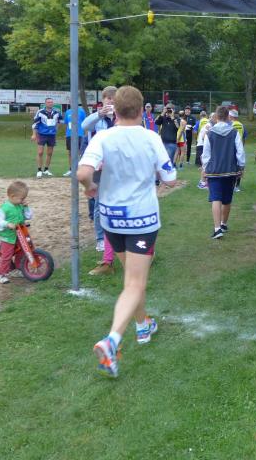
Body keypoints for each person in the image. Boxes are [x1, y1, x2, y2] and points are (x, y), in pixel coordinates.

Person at [77, 85, 177, 378]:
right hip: (141, 218)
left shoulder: (103, 137)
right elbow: (170, 179)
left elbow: (83, 172)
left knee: (132, 279)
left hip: (111, 218)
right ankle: (112, 341)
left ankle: (143, 325)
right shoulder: (151, 137)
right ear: (142, 109)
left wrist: (90, 187)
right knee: (134, 282)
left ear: (114, 110)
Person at [202, 106, 245, 239]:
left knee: (216, 198)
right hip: (230, 170)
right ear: (227, 117)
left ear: (216, 117)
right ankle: (223, 224)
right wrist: (241, 167)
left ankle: (217, 229)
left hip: (214, 171)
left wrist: (205, 168)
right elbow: (240, 151)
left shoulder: (210, 133)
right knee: (227, 199)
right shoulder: (234, 133)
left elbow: (206, 154)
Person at [82, 88, 117, 253]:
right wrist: (99, 114)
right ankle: (100, 238)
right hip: (98, 166)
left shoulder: (119, 118)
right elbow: (84, 126)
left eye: (114, 98)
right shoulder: (97, 118)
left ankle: (115, 234)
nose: (111, 101)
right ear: (103, 99)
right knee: (98, 203)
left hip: (115, 166)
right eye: (108, 98)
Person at [0, 181, 33, 284]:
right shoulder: (4, 208)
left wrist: (26, 207)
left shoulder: (19, 205)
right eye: (22, 198)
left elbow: (29, 216)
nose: (23, 200)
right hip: (8, 236)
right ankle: (1, 274)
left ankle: (18, 269)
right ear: (13, 196)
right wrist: (7, 224)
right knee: (7, 256)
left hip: (20, 234)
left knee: (22, 251)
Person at [31, 98, 62, 178]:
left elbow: (59, 121)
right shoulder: (40, 112)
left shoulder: (57, 112)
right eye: (48, 102)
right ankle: (39, 170)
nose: (50, 103)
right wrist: (34, 134)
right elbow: (35, 123)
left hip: (52, 135)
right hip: (42, 134)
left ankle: (46, 169)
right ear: (45, 103)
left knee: (50, 153)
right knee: (40, 152)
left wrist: (56, 129)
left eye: (51, 102)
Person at [62, 104, 87, 177]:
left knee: (80, 152)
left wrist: (85, 133)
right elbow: (66, 123)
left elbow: (85, 123)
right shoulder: (68, 112)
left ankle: (79, 169)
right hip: (70, 134)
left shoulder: (81, 111)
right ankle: (71, 169)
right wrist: (66, 133)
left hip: (79, 134)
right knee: (70, 152)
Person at [196, 112, 216, 190]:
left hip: (203, 146)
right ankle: (202, 183)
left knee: (206, 165)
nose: (216, 119)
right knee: (205, 165)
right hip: (203, 146)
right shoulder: (209, 125)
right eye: (215, 118)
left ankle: (205, 182)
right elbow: (204, 136)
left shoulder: (210, 125)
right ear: (212, 118)